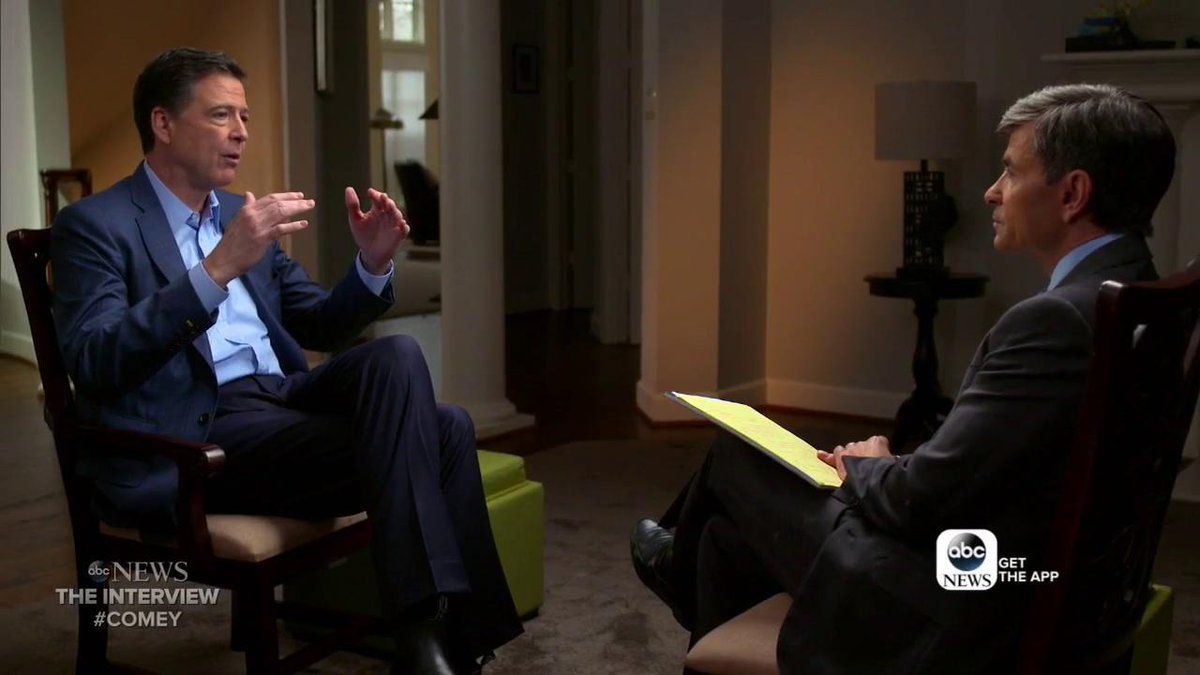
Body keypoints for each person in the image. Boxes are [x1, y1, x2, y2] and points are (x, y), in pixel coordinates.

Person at [631, 83, 1175, 674]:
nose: (993, 191)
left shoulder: (1056, 321)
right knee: (724, 537)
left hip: (963, 599)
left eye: (1012, 172)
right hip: (1049, 579)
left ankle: (672, 569)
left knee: (737, 456)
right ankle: (685, 569)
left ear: (1072, 194)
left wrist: (870, 465)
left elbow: (921, 500)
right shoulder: (1143, 297)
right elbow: (1000, 467)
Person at [51, 48, 520, 675]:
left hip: (279, 401)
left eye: (244, 117)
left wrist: (373, 263)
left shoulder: (238, 214)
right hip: (197, 434)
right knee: (446, 431)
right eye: (221, 115)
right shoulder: (95, 225)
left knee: (397, 356)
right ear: (163, 123)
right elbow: (95, 360)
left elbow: (320, 323)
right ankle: (442, 640)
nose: (241, 132)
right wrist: (218, 267)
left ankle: (424, 635)